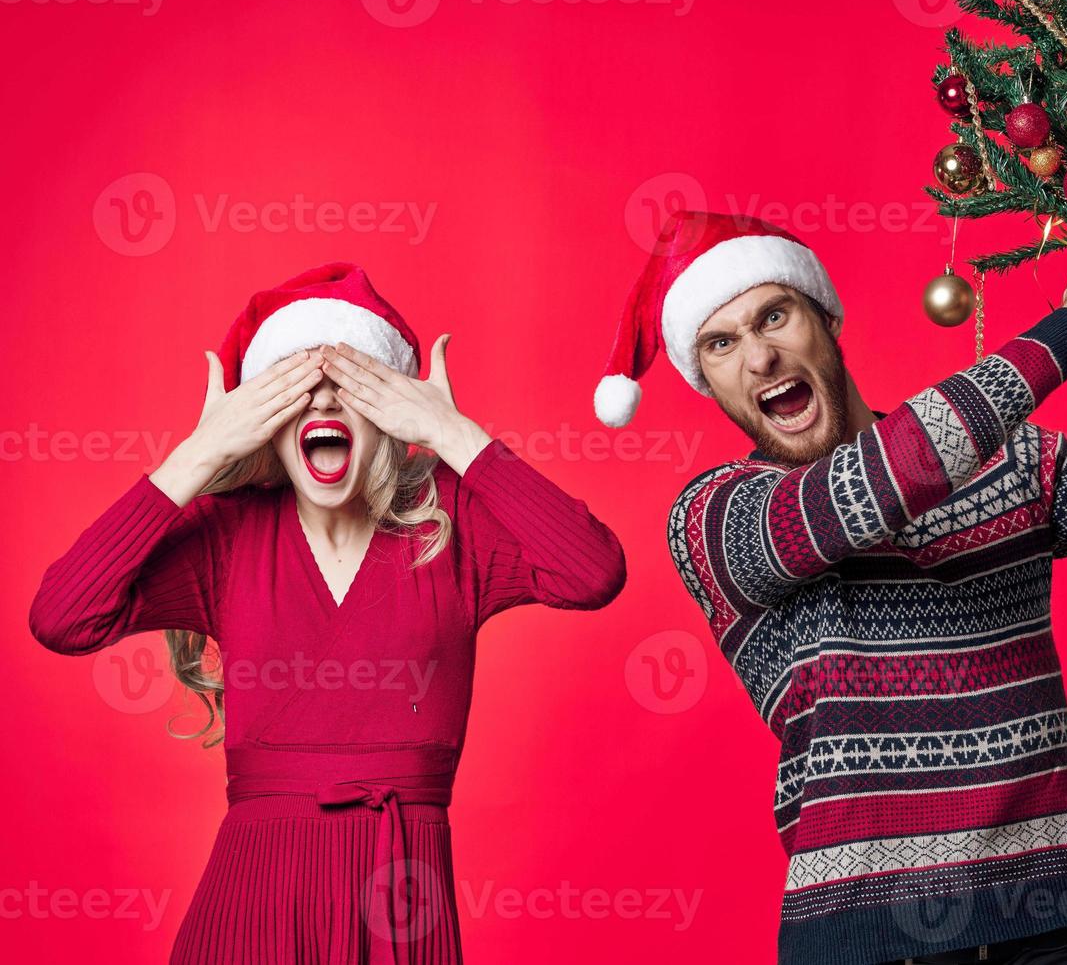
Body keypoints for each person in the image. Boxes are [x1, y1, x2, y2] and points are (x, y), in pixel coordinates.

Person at [592, 207, 1067, 965]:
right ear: (707, 382)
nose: (760, 359)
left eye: (774, 316)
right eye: (722, 344)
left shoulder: (1012, 463)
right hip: (868, 944)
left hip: (1048, 928)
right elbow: (880, 481)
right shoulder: (716, 516)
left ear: (826, 320)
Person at [30, 262, 626, 964]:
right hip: (250, 910)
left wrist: (455, 434)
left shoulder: (449, 523)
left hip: (404, 907)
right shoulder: (229, 533)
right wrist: (198, 454)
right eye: (296, 390)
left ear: (389, 408)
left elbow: (594, 571)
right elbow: (62, 615)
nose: (321, 407)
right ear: (266, 420)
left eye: (347, 387)